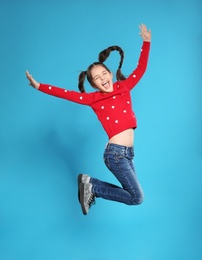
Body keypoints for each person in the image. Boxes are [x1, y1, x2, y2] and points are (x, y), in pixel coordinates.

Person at [26, 23, 151, 215]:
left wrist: (146, 42)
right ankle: (92, 187)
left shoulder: (123, 87)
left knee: (133, 195)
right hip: (115, 154)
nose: (103, 79)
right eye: (97, 78)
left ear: (110, 74)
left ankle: (90, 184)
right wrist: (39, 86)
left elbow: (140, 69)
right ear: (93, 84)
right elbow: (66, 94)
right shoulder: (94, 99)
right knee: (137, 197)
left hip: (128, 154)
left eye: (104, 74)